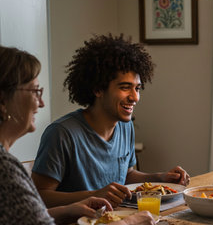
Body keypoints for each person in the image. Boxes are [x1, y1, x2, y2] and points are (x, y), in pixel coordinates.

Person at [0, 45, 156, 225]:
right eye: (34, 91)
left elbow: (23, 223)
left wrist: (65, 210)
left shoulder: (6, 165)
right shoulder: (6, 169)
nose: (40, 102)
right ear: (3, 99)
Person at [32, 34, 190, 208]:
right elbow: (39, 197)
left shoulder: (125, 126)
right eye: (125, 87)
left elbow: (126, 175)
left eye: (137, 88)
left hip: (119, 218)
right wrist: (94, 196)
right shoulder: (61, 133)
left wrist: (160, 178)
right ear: (98, 89)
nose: (135, 97)